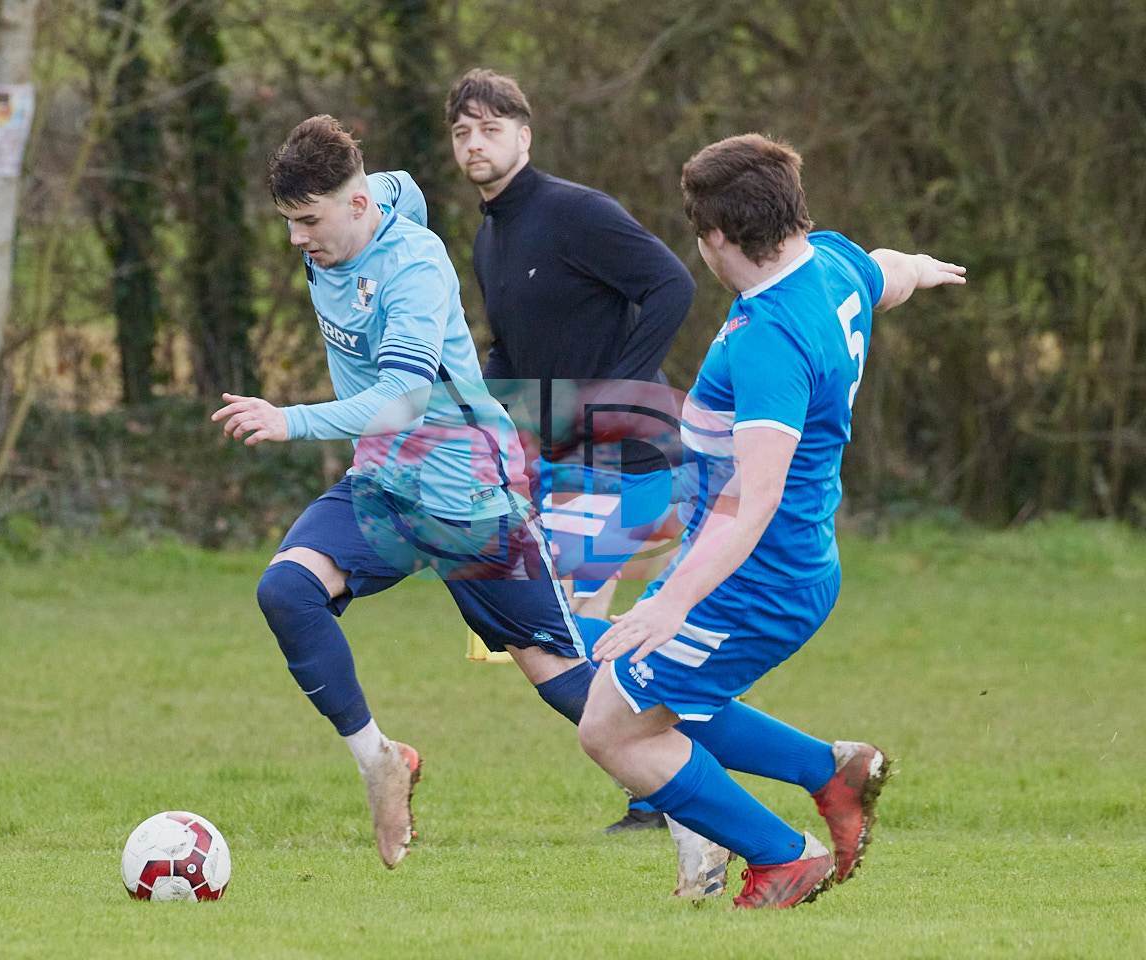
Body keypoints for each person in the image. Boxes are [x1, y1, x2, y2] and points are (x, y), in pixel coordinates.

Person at [577, 133, 967, 907]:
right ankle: (832, 771)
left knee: (611, 728)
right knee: (644, 691)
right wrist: (923, 268)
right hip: (784, 563)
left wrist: (672, 600)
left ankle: (784, 857)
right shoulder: (831, 261)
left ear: (718, 237)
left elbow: (754, 503)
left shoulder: (772, 343)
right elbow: (887, 272)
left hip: (755, 578)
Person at [212, 115, 603, 871]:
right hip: (384, 489)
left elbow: (402, 400)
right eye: (289, 221)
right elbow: (405, 189)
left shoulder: (417, 269)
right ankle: (380, 761)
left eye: (308, 221)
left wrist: (289, 420)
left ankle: (692, 810)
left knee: (567, 687)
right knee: (286, 591)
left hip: (468, 498)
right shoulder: (361, 212)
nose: (296, 239)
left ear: (355, 205)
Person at [447, 67, 694, 833]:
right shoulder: (490, 238)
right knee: (570, 626)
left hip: (628, 461)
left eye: (491, 129)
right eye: (462, 132)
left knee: (558, 622)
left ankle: (679, 777)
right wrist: (479, 411)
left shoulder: (576, 213)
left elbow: (672, 285)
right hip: (561, 461)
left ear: (524, 136)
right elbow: (514, 350)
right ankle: (664, 783)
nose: (475, 143)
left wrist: (621, 390)